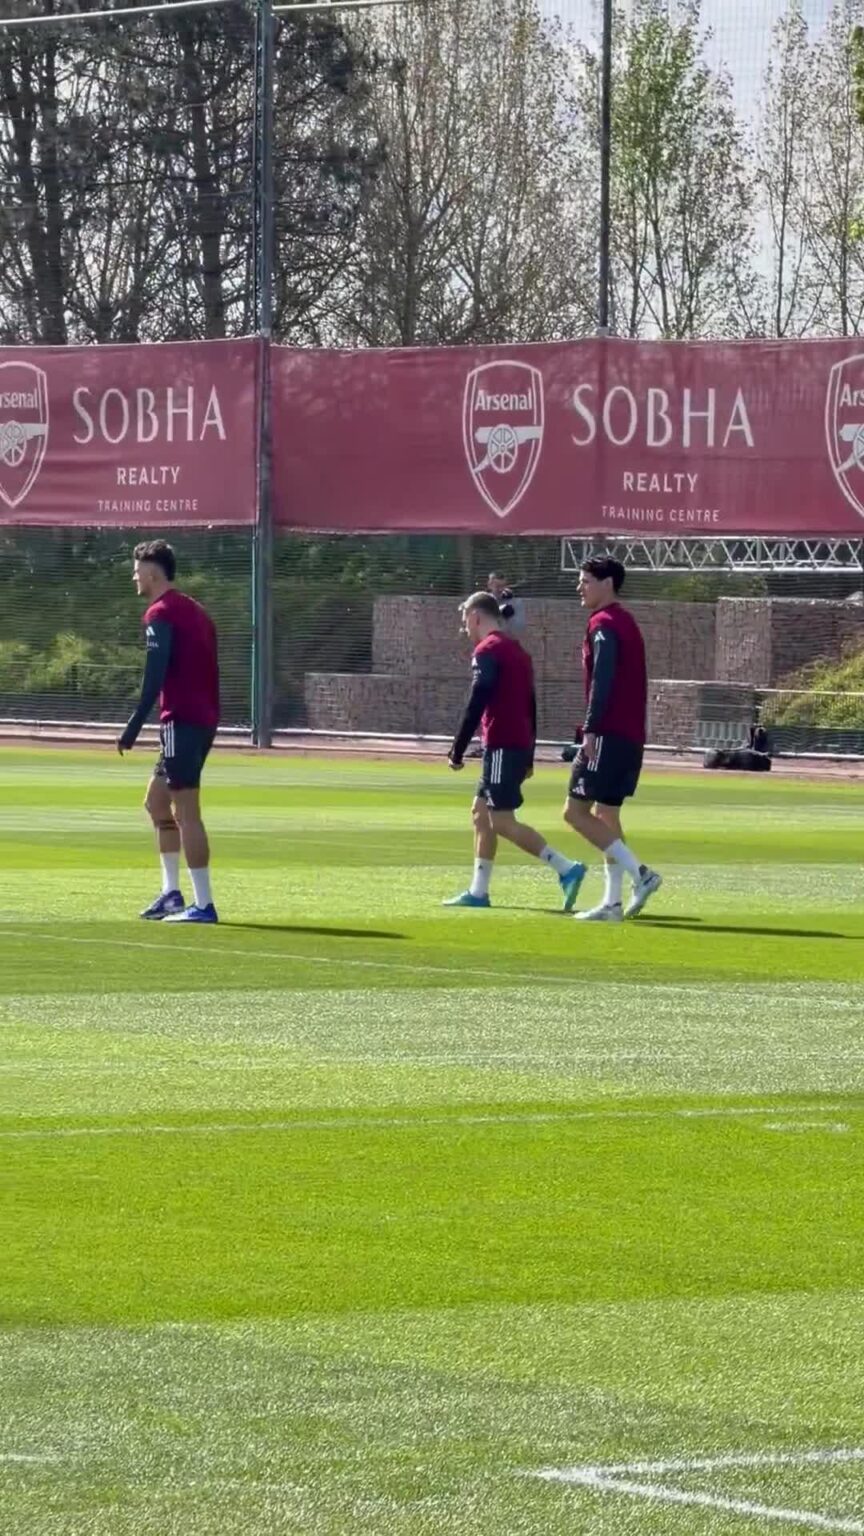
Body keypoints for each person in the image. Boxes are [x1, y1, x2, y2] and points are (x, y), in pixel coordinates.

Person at [443, 591, 585, 909]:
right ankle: (478, 892)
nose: (465, 628)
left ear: (475, 617)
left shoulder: (488, 650)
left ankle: (566, 868)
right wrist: (530, 753)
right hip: (516, 745)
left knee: (502, 821)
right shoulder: (517, 650)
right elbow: (531, 703)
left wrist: (457, 748)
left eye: (465, 620)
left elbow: (477, 697)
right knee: (480, 815)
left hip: (503, 745)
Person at [117, 540, 220, 924]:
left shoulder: (160, 613)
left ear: (152, 572)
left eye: (137, 569)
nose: (133, 576)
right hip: (203, 719)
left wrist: (133, 725)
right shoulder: (196, 610)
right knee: (157, 804)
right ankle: (171, 895)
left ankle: (204, 904)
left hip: (182, 720)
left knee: (186, 812)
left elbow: (154, 677)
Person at [563, 556, 662, 922]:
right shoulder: (626, 621)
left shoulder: (604, 623)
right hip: (630, 735)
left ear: (607, 584)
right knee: (607, 814)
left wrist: (590, 728)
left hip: (608, 733)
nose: (580, 586)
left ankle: (642, 874)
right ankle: (612, 902)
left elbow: (603, 677)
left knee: (574, 812)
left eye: (586, 580)